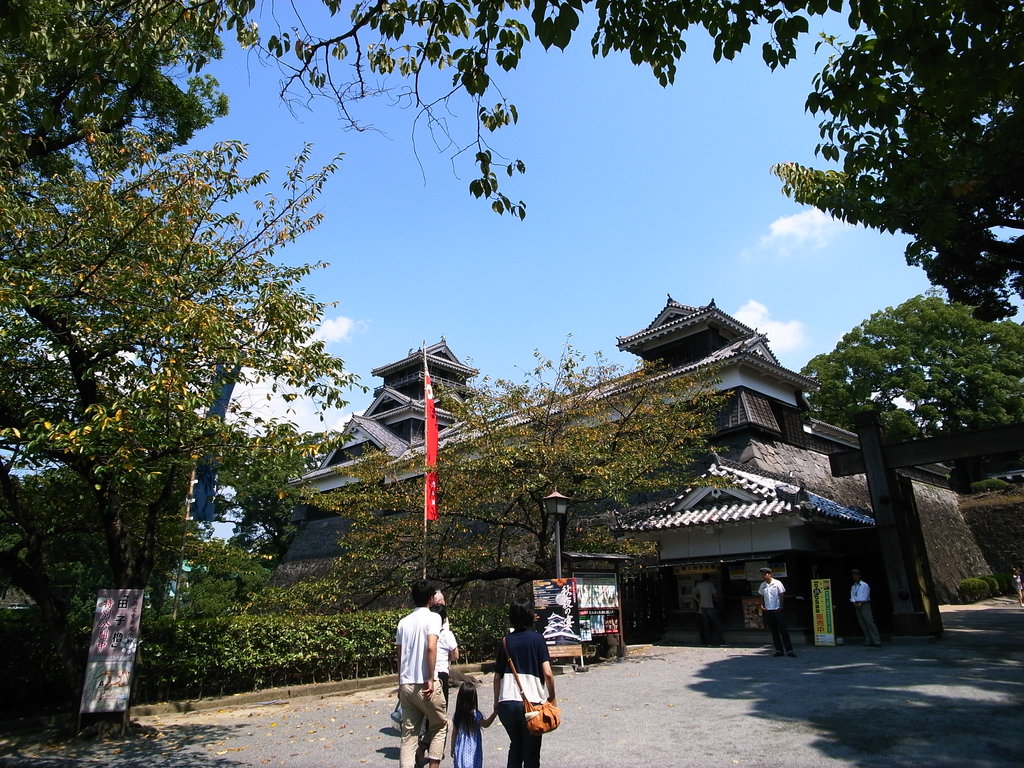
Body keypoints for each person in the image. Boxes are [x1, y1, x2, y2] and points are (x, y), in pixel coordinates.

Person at [493, 599, 557, 768]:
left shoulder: (505, 641)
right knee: (531, 752)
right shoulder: (538, 639)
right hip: (532, 703)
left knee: (515, 745)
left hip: (506, 702)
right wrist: (552, 697)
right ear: (530, 616)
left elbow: (497, 677)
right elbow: (548, 673)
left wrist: (496, 702)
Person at [395, 579, 448, 768]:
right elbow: (431, 647)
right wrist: (430, 679)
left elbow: (399, 655)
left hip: (406, 683)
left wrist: (400, 683)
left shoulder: (403, 622)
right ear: (431, 598)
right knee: (439, 725)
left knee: (408, 736)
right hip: (425, 684)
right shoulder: (433, 618)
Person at [450, 681, 496, 768]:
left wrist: (452, 748)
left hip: (460, 749)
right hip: (473, 748)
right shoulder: (475, 714)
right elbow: (486, 724)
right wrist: (495, 713)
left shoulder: (457, 715)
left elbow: (454, 733)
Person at [758, 567, 795, 657]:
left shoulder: (777, 583)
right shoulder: (763, 585)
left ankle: (789, 650)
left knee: (783, 630)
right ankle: (779, 650)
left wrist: (781, 605)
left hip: (777, 609)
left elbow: (781, 594)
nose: (764, 575)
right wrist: (762, 605)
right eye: (763, 574)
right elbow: (761, 596)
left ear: (770, 574)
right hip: (768, 610)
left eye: (766, 573)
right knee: (774, 631)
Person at [849, 569, 882, 647]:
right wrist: (854, 603)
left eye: (856, 575)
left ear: (859, 576)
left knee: (869, 622)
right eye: (853, 575)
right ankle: (868, 640)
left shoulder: (864, 585)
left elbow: (865, 596)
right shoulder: (853, 587)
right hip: (856, 605)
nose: (855, 577)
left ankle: (876, 641)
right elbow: (852, 596)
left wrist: (860, 604)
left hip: (864, 605)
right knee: (862, 624)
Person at [694, 573, 725, 646]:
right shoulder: (711, 584)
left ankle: (708, 642)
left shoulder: (699, 585)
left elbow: (693, 594)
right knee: (716, 623)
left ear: (702, 578)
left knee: (706, 625)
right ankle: (721, 641)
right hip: (710, 606)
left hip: (702, 607)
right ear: (708, 578)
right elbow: (715, 595)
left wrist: (698, 601)